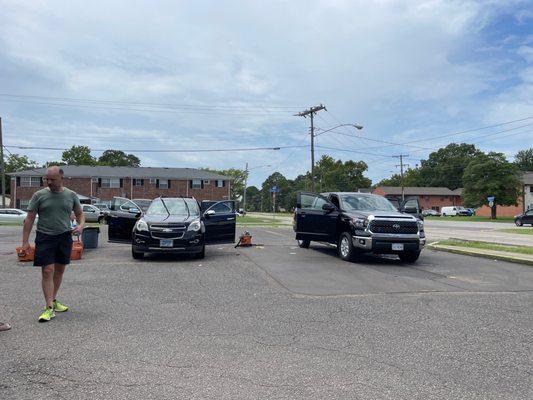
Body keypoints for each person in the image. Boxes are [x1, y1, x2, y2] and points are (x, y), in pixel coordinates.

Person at [21, 167, 85, 322]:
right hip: (45, 237)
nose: (49, 182)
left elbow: (80, 214)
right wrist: (25, 242)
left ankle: (53, 300)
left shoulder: (71, 195)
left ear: (61, 177)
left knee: (59, 271)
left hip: (64, 237)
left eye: (52, 179)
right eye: (46, 179)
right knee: (47, 270)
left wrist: (81, 225)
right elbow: (29, 218)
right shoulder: (39, 195)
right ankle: (49, 307)